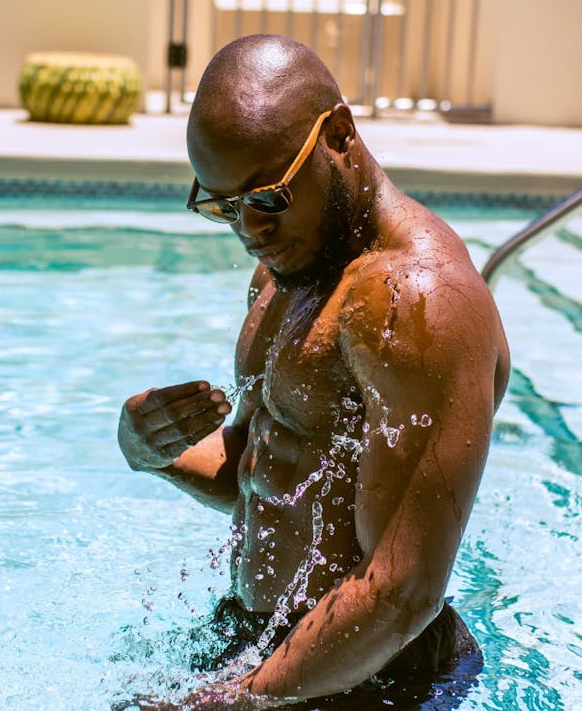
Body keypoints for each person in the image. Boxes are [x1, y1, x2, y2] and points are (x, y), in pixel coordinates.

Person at [117, 35, 509, 709]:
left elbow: (401, 590)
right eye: (223, 206)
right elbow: (262, 470)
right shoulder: (289, 265)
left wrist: (232, 701)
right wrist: (149, 453)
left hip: (372, 673)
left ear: (340, 136)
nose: (249, 229)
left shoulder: (418, 303)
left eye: (266, 196)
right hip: (264, 649)